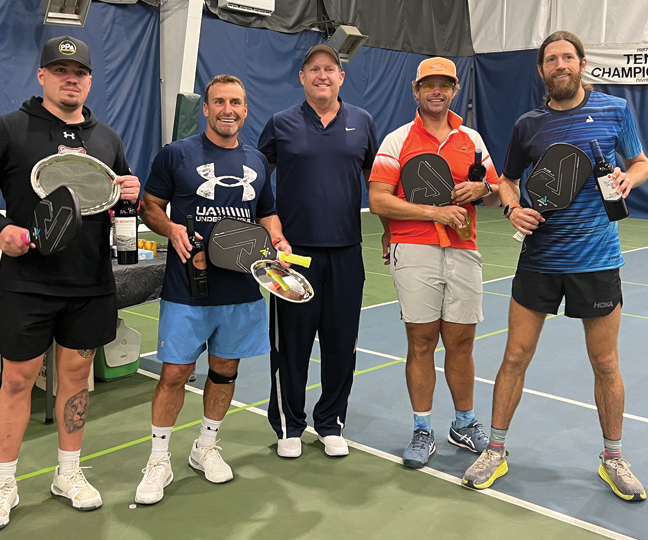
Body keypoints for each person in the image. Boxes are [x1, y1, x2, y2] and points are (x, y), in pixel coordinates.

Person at [0, 35, 142, 531]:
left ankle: (68, 474)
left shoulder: (107, 139)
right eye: (59, 70)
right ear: (42, 76)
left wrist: (131, 193)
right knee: (16, 381)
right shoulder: (12, 128)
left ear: (90, 80)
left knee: (78, 378)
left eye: (78, 72)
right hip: (28, 283)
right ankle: (4, 483)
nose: (70, 78)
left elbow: (114, 203)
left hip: (90, 283)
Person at [461, 30, 648, 501]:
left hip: (597, 260)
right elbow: (505, 181)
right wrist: (511, 208)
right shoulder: (529, 125)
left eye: (568, 57)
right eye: (551, 59)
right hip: (540, 260)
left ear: (582, 63)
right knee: (514, 357)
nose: (560, 65)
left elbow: (642, 161)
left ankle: (614, 459)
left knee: (605, 362)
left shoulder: (615, 111)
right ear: (542, 70)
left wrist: (631, 177)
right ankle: (496, 450)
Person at [134, 74, 291, 504]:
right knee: (174, 373)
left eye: (236, 102)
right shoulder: (177, 155)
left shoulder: (257, 161)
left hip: (242, 287)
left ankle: (205, 446)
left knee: (225, 370)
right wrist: (171, 229)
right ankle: (159, 458)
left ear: (245, 109)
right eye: (219, 102)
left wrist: (276, 239)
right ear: (205, 109)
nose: (228, 110)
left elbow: (267, 213)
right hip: (189, 286)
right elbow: (150, 206)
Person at [368, 57, 500, 469]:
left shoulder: (472, 139)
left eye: (444, 84)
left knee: (461, 343)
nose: (436, 91)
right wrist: (434, 213)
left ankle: (464, 423)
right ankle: (422, 430)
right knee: (422, 343)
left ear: (455, 90)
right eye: (429, 85)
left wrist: (481, 188)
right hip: (415, 250)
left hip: (463, 249)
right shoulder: (398, 140)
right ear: (416, 90)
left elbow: (496, 192)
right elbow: (378, 200)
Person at [256, 44, 378, 459]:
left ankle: (331, 422)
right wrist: (268, 228)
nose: (322, 75)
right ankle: (289, 425)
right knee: (291, 343)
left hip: (346, 252)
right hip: (292, 255)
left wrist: (391, 230)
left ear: (341, 78)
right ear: (303, 78)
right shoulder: (280, 123)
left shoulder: (362, 122)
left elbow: (377, 183)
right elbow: (255, 179)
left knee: (341, 343)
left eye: (330, 69)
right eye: (314, 69)